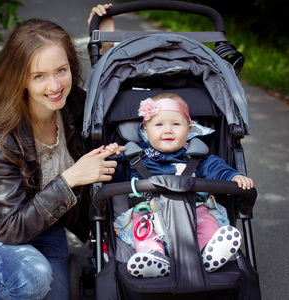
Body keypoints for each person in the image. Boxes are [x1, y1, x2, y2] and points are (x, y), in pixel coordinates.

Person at [0, 5, 120, 300]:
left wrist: (106, 47)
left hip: (45, 226)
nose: (55, 85)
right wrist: (71, 178)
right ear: (20, 80)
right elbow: (10, 228)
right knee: (33, 280)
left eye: (61, 70)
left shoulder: (74, 106)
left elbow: (111, 100)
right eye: (39, 76)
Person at [106, 92, 254, 278]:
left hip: (193, 210)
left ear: (188, 127)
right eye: (159, 124)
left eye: (176, 124)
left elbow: (217, 169)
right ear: (145, 129)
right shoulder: (135, 156)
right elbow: (118, 176)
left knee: (207, 221)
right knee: (142, 229)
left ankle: (208, 251)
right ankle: (153, 256)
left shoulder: (196, 154)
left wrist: (233, 176)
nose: (168, 130)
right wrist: (113, 159)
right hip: (148, 212)